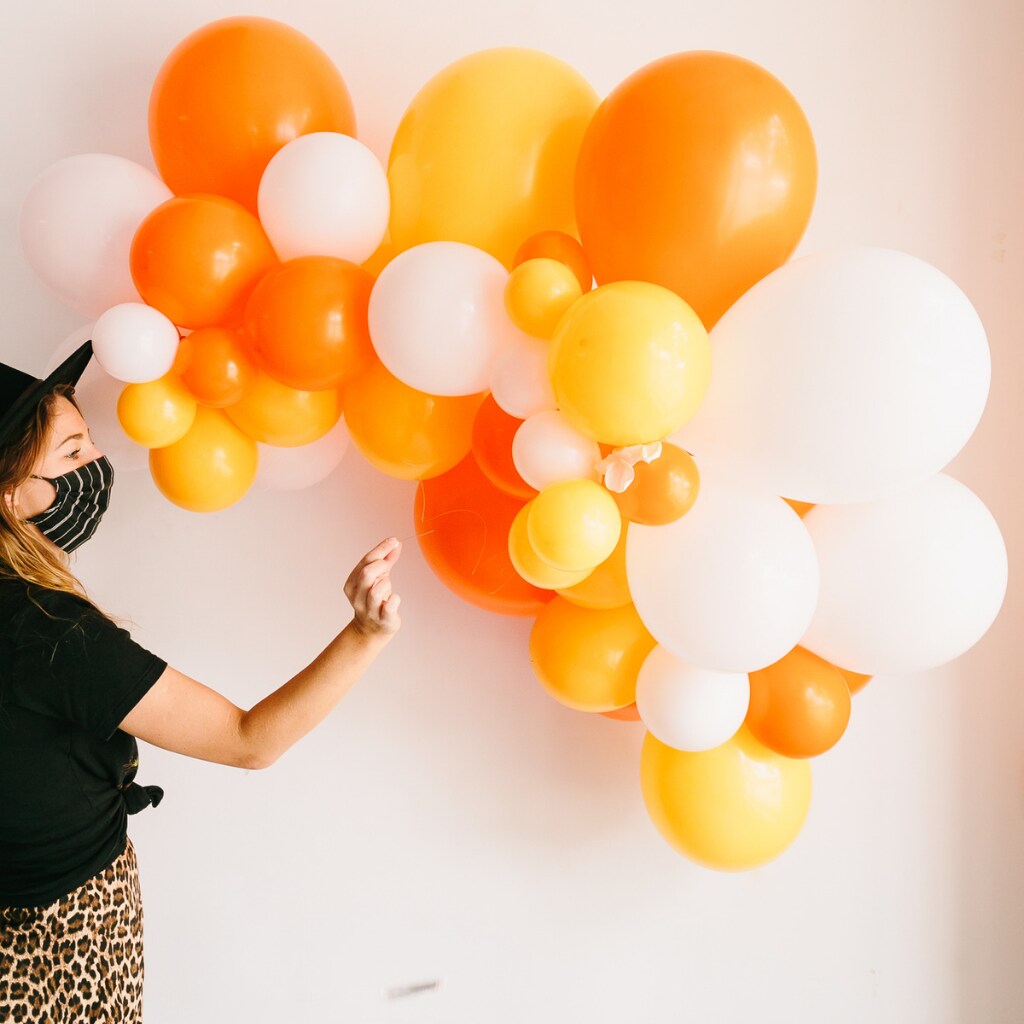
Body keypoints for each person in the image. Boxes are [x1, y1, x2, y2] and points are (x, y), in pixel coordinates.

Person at [0, 340, 401, 1022]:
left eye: (88, 445)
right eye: (71, 456)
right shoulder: (51, 633)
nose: (95, 465)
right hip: (63, 940)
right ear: (10, 496)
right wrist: (364, 634)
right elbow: (250, 740)